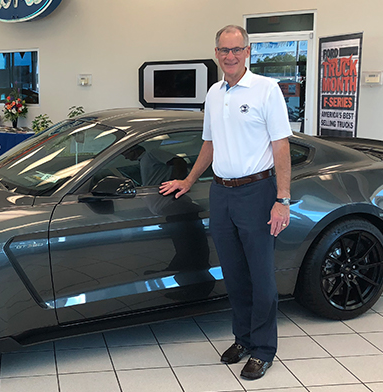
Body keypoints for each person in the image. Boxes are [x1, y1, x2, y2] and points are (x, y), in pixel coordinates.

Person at [160, 24, 292, 380]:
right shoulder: (215, 93)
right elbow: (209, 143)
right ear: (216, 53)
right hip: (221, 193)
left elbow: (281, 146)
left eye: (237, 50)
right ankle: (243, 338)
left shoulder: (267, 90)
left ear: (247, 52)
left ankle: (264, 349)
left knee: (261, 276)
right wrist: (188, 180)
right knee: (233, 273)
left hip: (258, 192)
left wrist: (282, 199)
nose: (230, 56)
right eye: (224, 50)